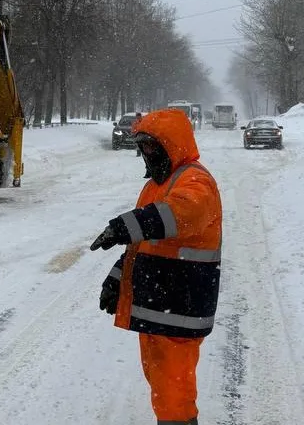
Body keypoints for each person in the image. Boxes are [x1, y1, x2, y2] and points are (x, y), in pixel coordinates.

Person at [90, 108, 222, 425]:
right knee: (163, 391)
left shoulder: (195, 180)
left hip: (180, 308)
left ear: (170, 144)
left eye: (151, 146)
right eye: (142, 147)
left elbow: (180, 214)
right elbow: (144, 245)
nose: (146, 154)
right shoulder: (155, 186)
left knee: (174, 398)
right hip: (158, 307)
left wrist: (125, 225)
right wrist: (117, 280)